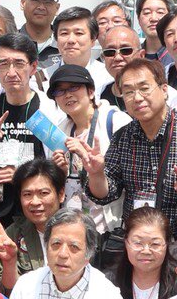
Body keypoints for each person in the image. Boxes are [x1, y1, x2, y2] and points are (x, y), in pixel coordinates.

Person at [82, 58, 177, 260]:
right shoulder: (123, 137)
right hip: (138, 248)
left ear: (164, 90)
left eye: (144, 88)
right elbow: (107, 194)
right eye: (128, 92)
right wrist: (96, 174)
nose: (137, 98)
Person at [0, 34, 63, 221]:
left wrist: (21, 175)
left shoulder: (49, 109)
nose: (11, 73)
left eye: (19, 64)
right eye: (3, 64)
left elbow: (59, 165)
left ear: (33, 67)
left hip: (39, 208)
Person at [46, 63, 128, 244]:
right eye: (59, 91)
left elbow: (130, 176)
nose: (67, 95)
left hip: (109, 227)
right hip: (73, 229)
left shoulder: (116, 121)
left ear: (91, 92)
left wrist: (92, 163)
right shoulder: (60, 131)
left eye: (74, 87)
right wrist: (60, 171)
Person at [0, 160, 66, 293]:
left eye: (43, 193)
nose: (35, 202)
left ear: (60, 195)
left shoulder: (78, 230)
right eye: (27, 194)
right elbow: (9, 293)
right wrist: (10, 262)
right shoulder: (13, 234)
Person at [97, 25, 177, 113]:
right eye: (109, 52)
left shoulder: (169, 97)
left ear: (141, 55)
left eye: (126, 50)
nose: (117, 58)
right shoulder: (98, 95)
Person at [53, 6, 111, 89]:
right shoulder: (43, 78)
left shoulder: (108, 77)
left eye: (79, 33)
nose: (71, 40)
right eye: (64, 33)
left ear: (93, 39)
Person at [18, 0, 62, 68]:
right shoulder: (8, 43)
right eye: (35, 0)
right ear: (23, 3)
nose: (41, 7)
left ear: (57, 8)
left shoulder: (66, 45)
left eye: (48, 2)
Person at [134, 0, 173, 65]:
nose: (154, 18)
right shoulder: (132, 57)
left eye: (160, 12)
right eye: (147, 13)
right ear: (139, 19)